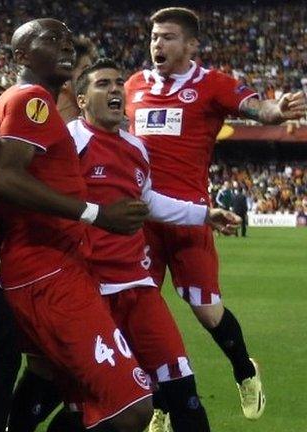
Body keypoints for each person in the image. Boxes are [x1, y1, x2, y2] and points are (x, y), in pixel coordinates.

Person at [124, 7, 305, 421]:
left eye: (168, 37)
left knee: (206, 311)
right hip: (140, 221)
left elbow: (258, 108)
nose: (158, 44)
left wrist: (276, 112)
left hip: (191, 218)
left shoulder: (212, 85)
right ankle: (158, 405)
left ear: (190, 45)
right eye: (154, 36)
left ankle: (244, 370)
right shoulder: (134, 86)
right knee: (137, 310)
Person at [0, 18, 153, 432]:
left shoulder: (19, 100)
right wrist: (96, 214)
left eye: (67, 40)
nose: (65, 46)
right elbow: (3, 178)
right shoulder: (32, 101)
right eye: (51, 39)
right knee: (132, 409)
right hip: (49, 271)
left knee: (57, 384)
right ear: (21, 56)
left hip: (38, 266)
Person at [69, 58, 243, 432]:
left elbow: (147, 201)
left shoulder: (136, 148)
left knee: (183, 384)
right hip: (90, 292)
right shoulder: (69, 142)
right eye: (103, 84)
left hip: (138, 286)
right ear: (81, 100)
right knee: (95, 405)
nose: (116, 89)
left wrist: (203, 214)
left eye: (119, 83)